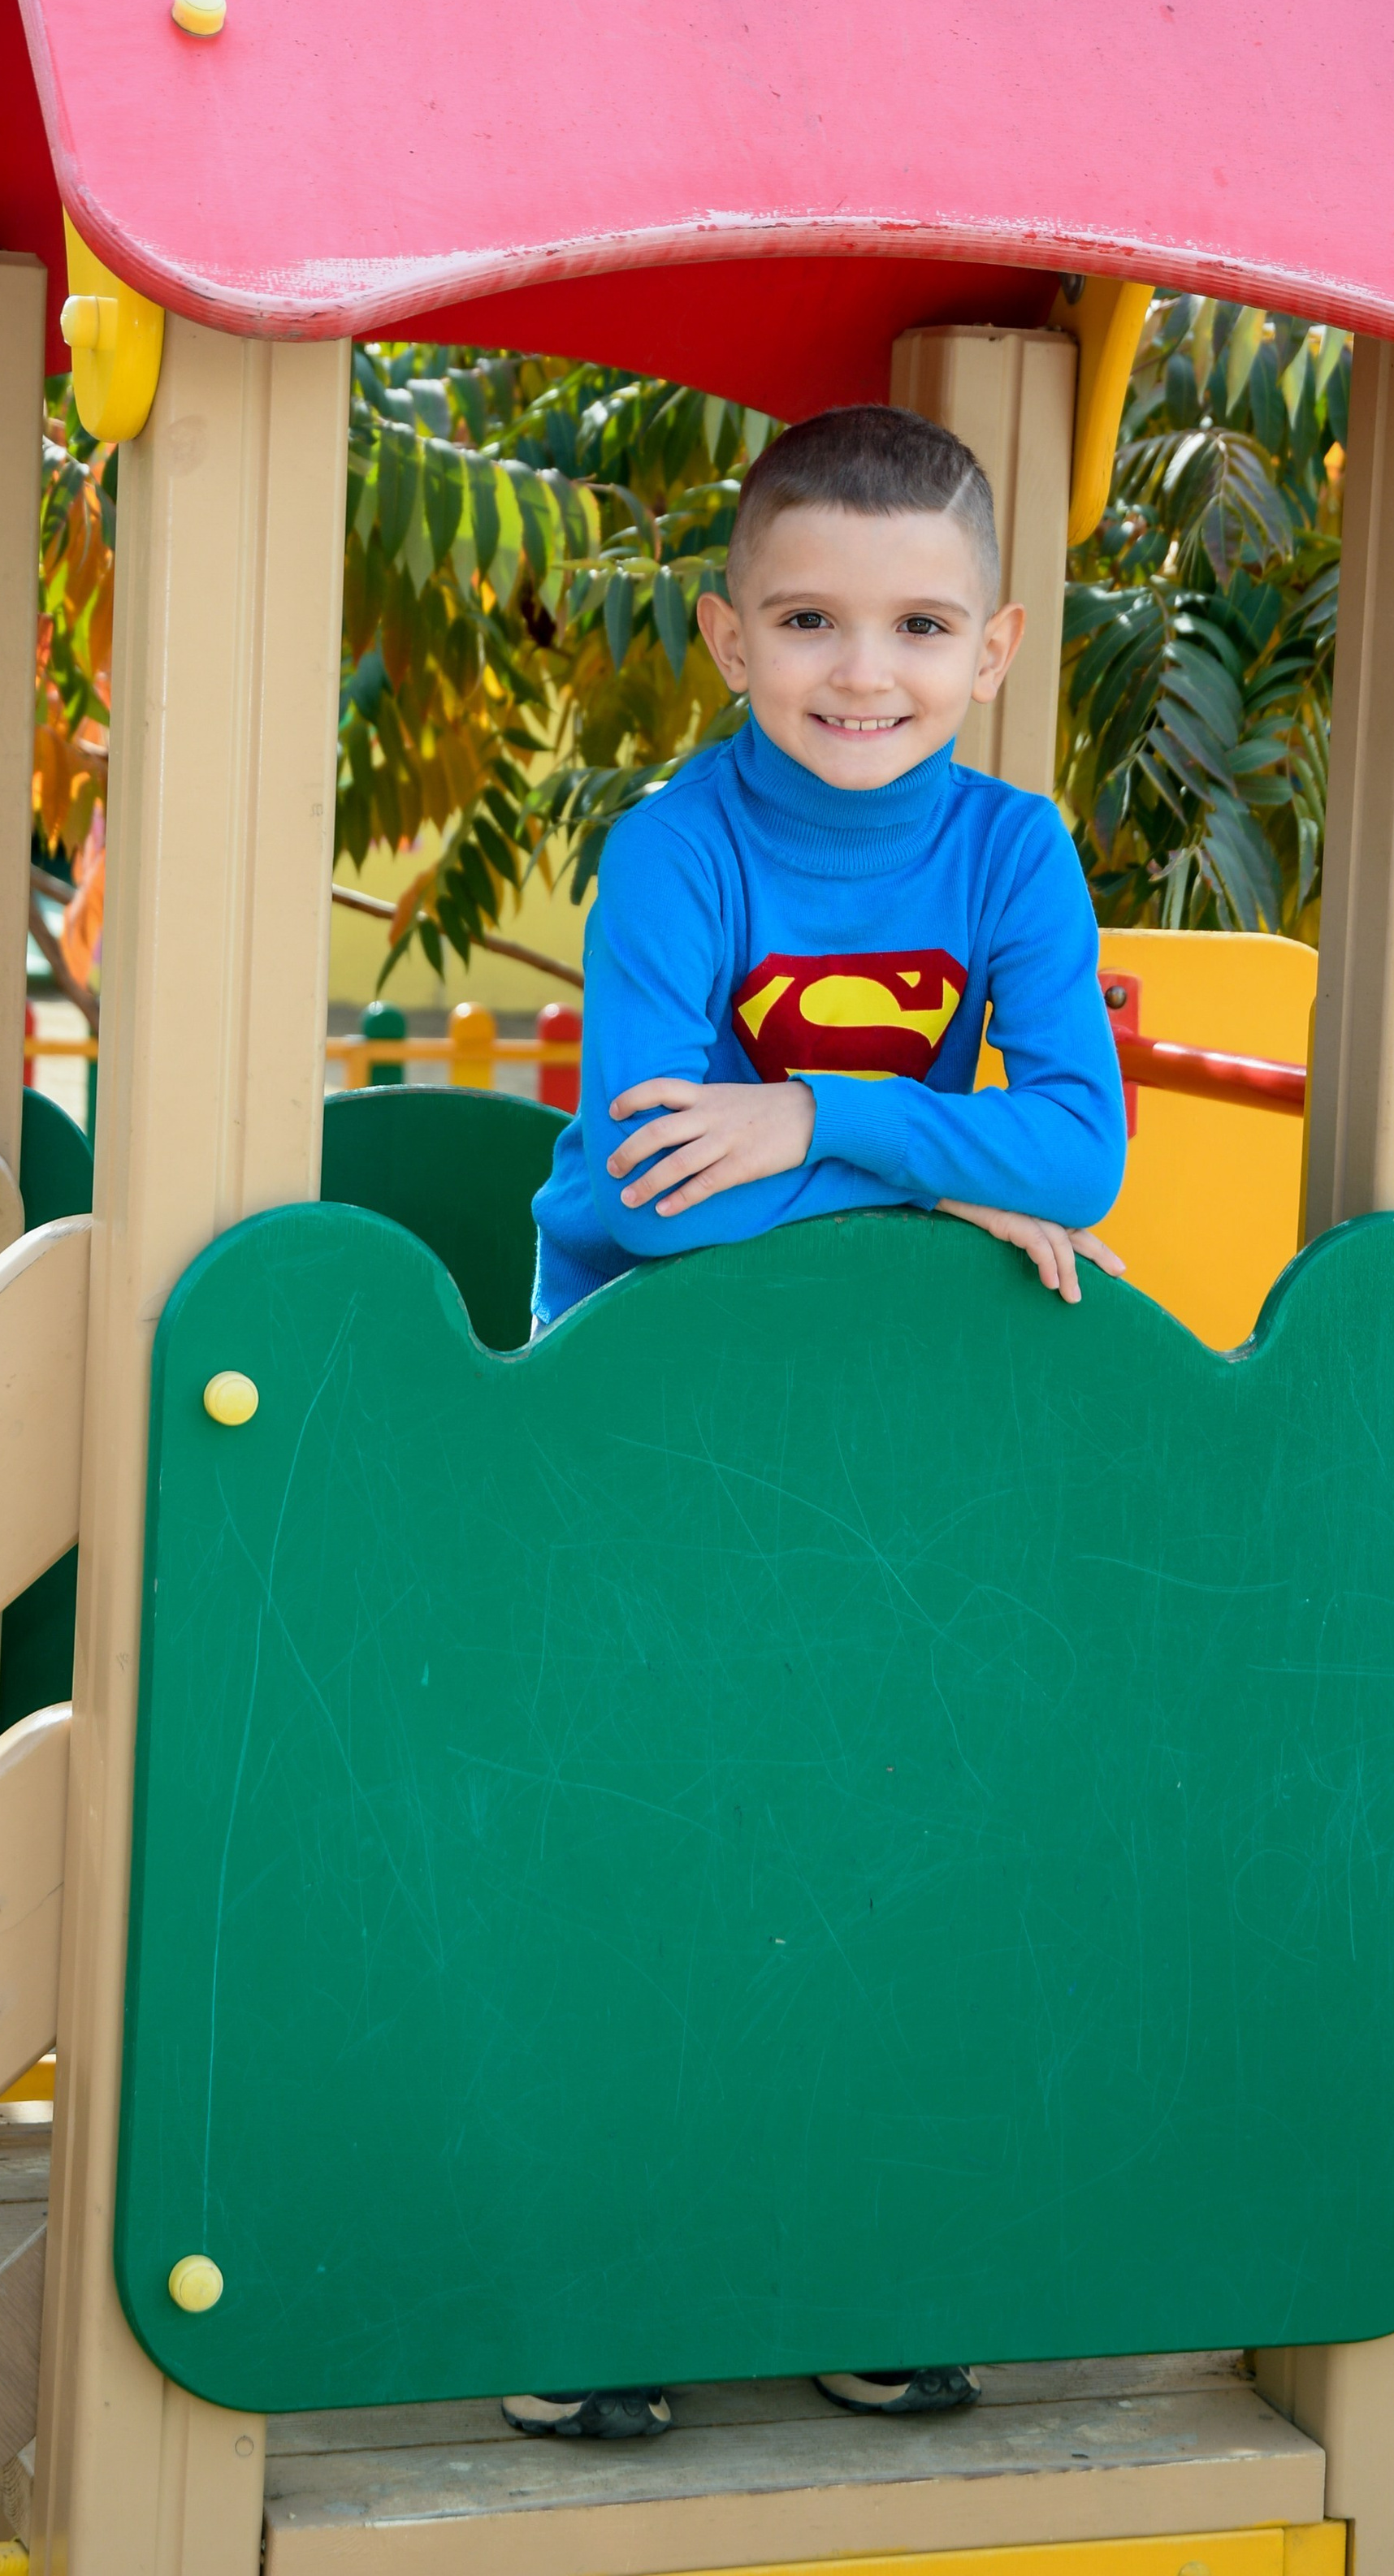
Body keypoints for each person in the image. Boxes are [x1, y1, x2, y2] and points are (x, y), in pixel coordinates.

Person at [506, 402, 1129, 2448]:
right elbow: (651, 1190)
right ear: (723, 635)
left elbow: (1081, 1152)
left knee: (879, 1812)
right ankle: (589, 2284)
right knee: (656, 1824)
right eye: (805, 620)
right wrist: (938, 1182)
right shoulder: (679, 850)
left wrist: (809, 1118)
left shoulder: (1007, 852)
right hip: (653, 1407)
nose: (863, 673)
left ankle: (860, 2255)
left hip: (875, 1423)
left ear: (995, 647)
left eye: (918, 627)